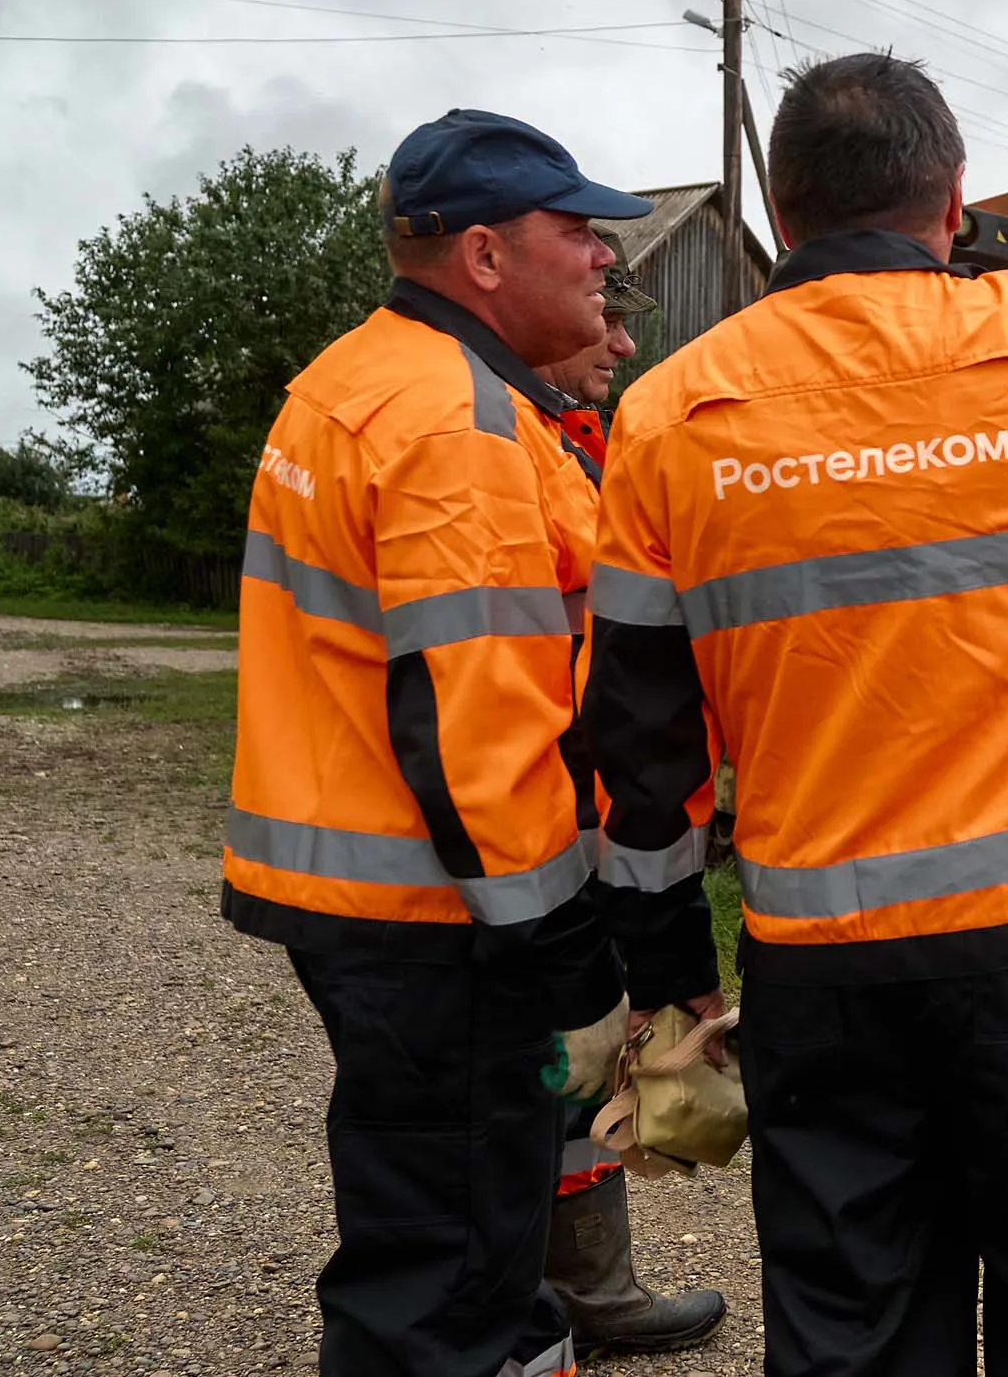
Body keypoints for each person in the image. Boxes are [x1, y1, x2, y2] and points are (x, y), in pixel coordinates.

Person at [581, 51, 1008, 1375]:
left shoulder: (666, 416)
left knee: (854, 1332)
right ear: (952, 201)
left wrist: (668, 954)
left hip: (821, 972)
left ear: (785, 213)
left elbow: (638, 734)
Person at [223, 108, 652, 1377]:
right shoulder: (452, 428)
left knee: (458, 1227)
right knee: (438, 1273)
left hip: (377, 893)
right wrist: (569, 960)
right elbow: (475, 735)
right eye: (575, 231)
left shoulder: (363, 378)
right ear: (481, 254)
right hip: (442, 917)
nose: (601, 258)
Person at [527, 251, 727, 1356]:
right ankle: (528, 1302)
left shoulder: (586, 447)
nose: (623, 342)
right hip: (533, 823)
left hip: (597, 818)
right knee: (540, 1060)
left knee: (586, 1056)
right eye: (600, 319)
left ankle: (592, 1286)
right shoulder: (500, 446)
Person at [537, 239, 655, 471]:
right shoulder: (495, 428)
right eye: (608, 323)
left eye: (623, 324)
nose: (627, 347)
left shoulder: (579, 428)